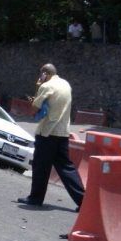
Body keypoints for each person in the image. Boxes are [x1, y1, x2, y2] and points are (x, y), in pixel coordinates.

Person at [18, 63, 85, 208]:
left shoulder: (46, 86)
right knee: (66, 167)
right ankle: (83, 201)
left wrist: (38, 86)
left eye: (41, 74)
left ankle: (35, 198)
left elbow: (34, 109)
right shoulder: (66, 84)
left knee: (41, 166)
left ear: (45, 74)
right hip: (62, 132)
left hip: (47, 132)